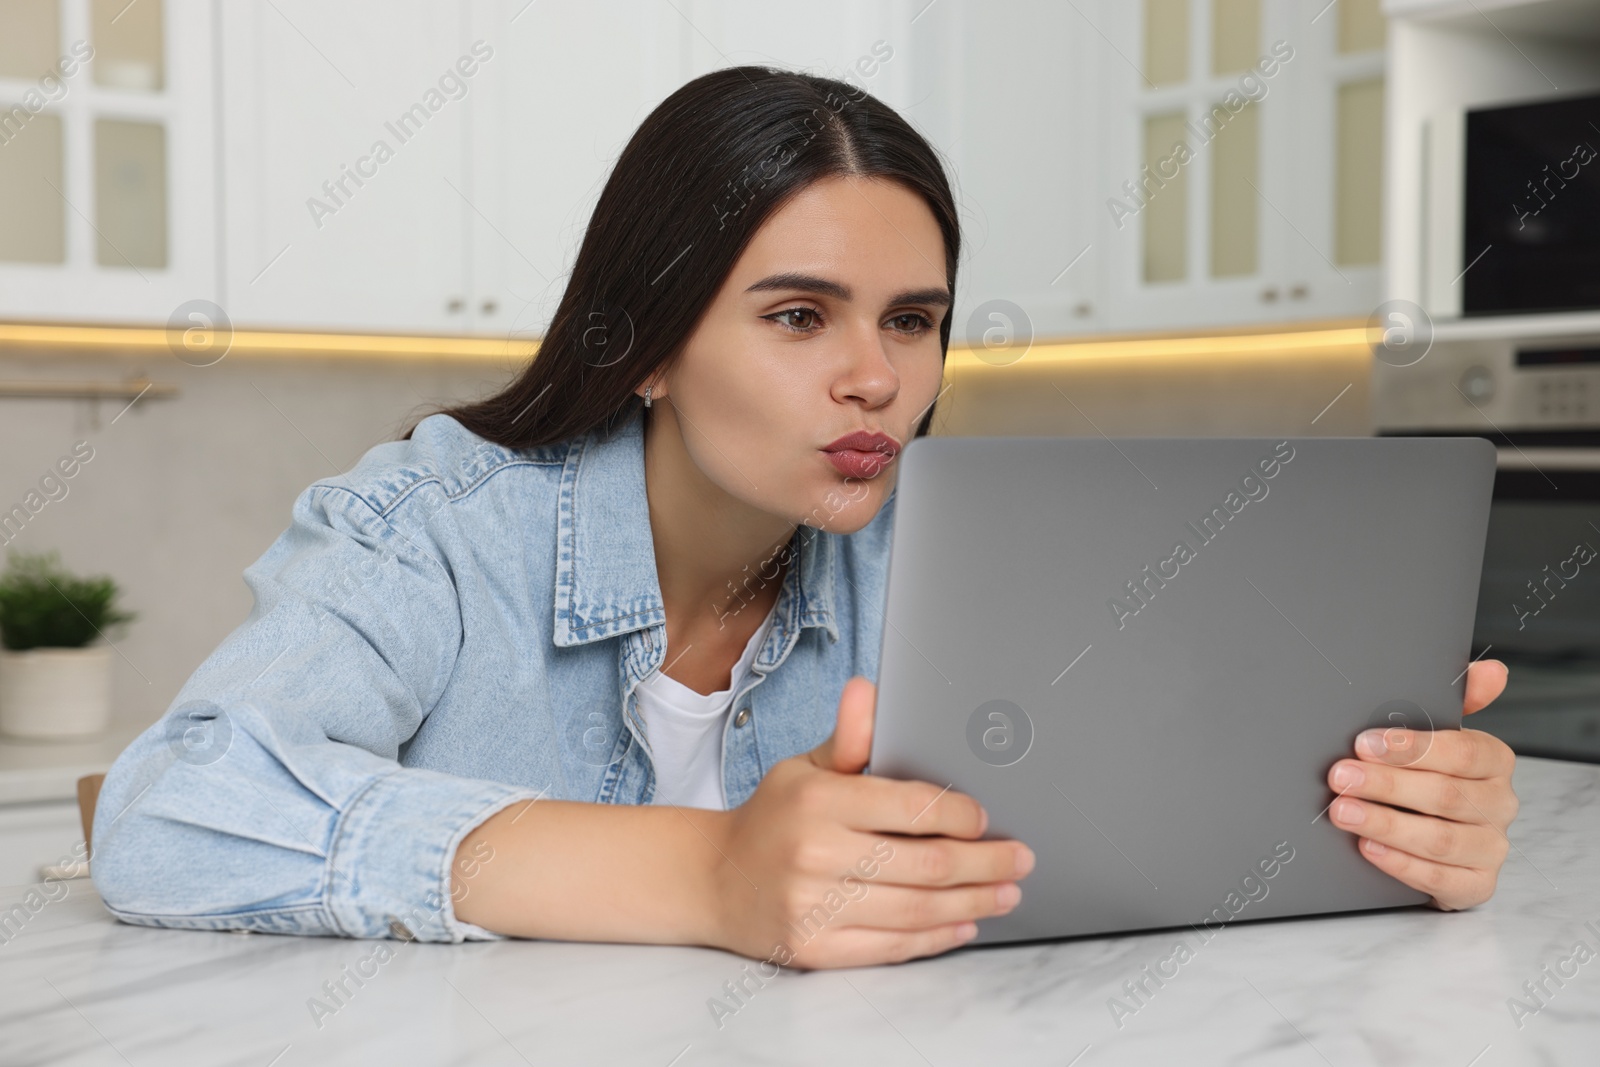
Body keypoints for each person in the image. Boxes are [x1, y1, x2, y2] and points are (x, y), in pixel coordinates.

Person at [90, 66, 1519, 971]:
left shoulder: (952, 565)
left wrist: (1389, 820)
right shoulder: (431, 520)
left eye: (915, 320)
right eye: (798, 315)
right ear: (644, 343)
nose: (877, 377)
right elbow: (167, 814)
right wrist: (712, 875)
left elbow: (1114, 840)